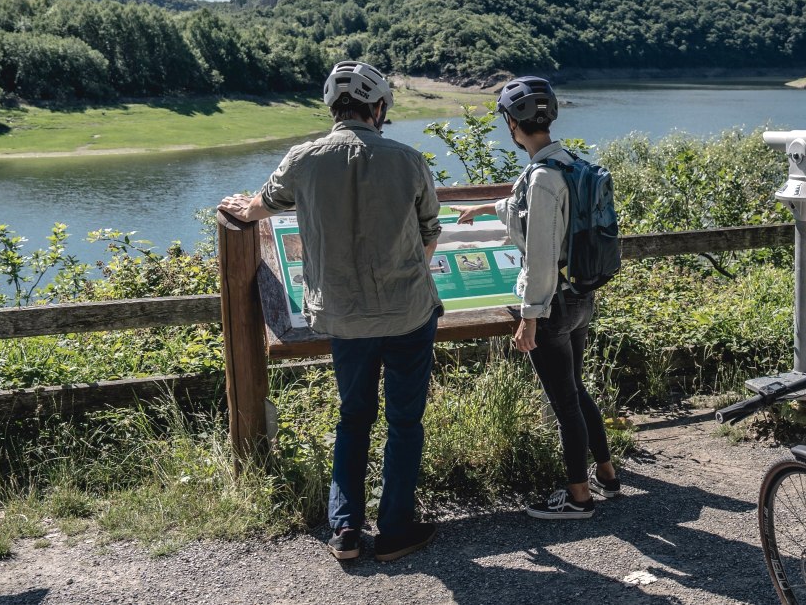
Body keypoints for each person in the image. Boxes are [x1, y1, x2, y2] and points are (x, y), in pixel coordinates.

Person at [217, 61, 442, 561]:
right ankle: (395, 528)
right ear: (378, 108)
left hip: (342, 316)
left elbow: (260, 206)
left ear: (333, 108)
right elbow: (430, 229)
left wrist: (241, 207)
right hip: (408, 312)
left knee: (353, 417)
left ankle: (345, 531)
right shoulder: (408, 159)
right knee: (406, 421)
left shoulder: (303, 158)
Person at [455, 76, 619, 520]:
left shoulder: (543, 177)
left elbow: (542, 252)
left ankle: (578, 497)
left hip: (551, 305)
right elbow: (524, 210)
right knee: (577, 389)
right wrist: (487, 206)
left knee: (564, 402)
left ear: (512, 124)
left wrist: (529, 315)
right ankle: (606, 473)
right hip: (580, 295)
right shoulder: (566, 163)